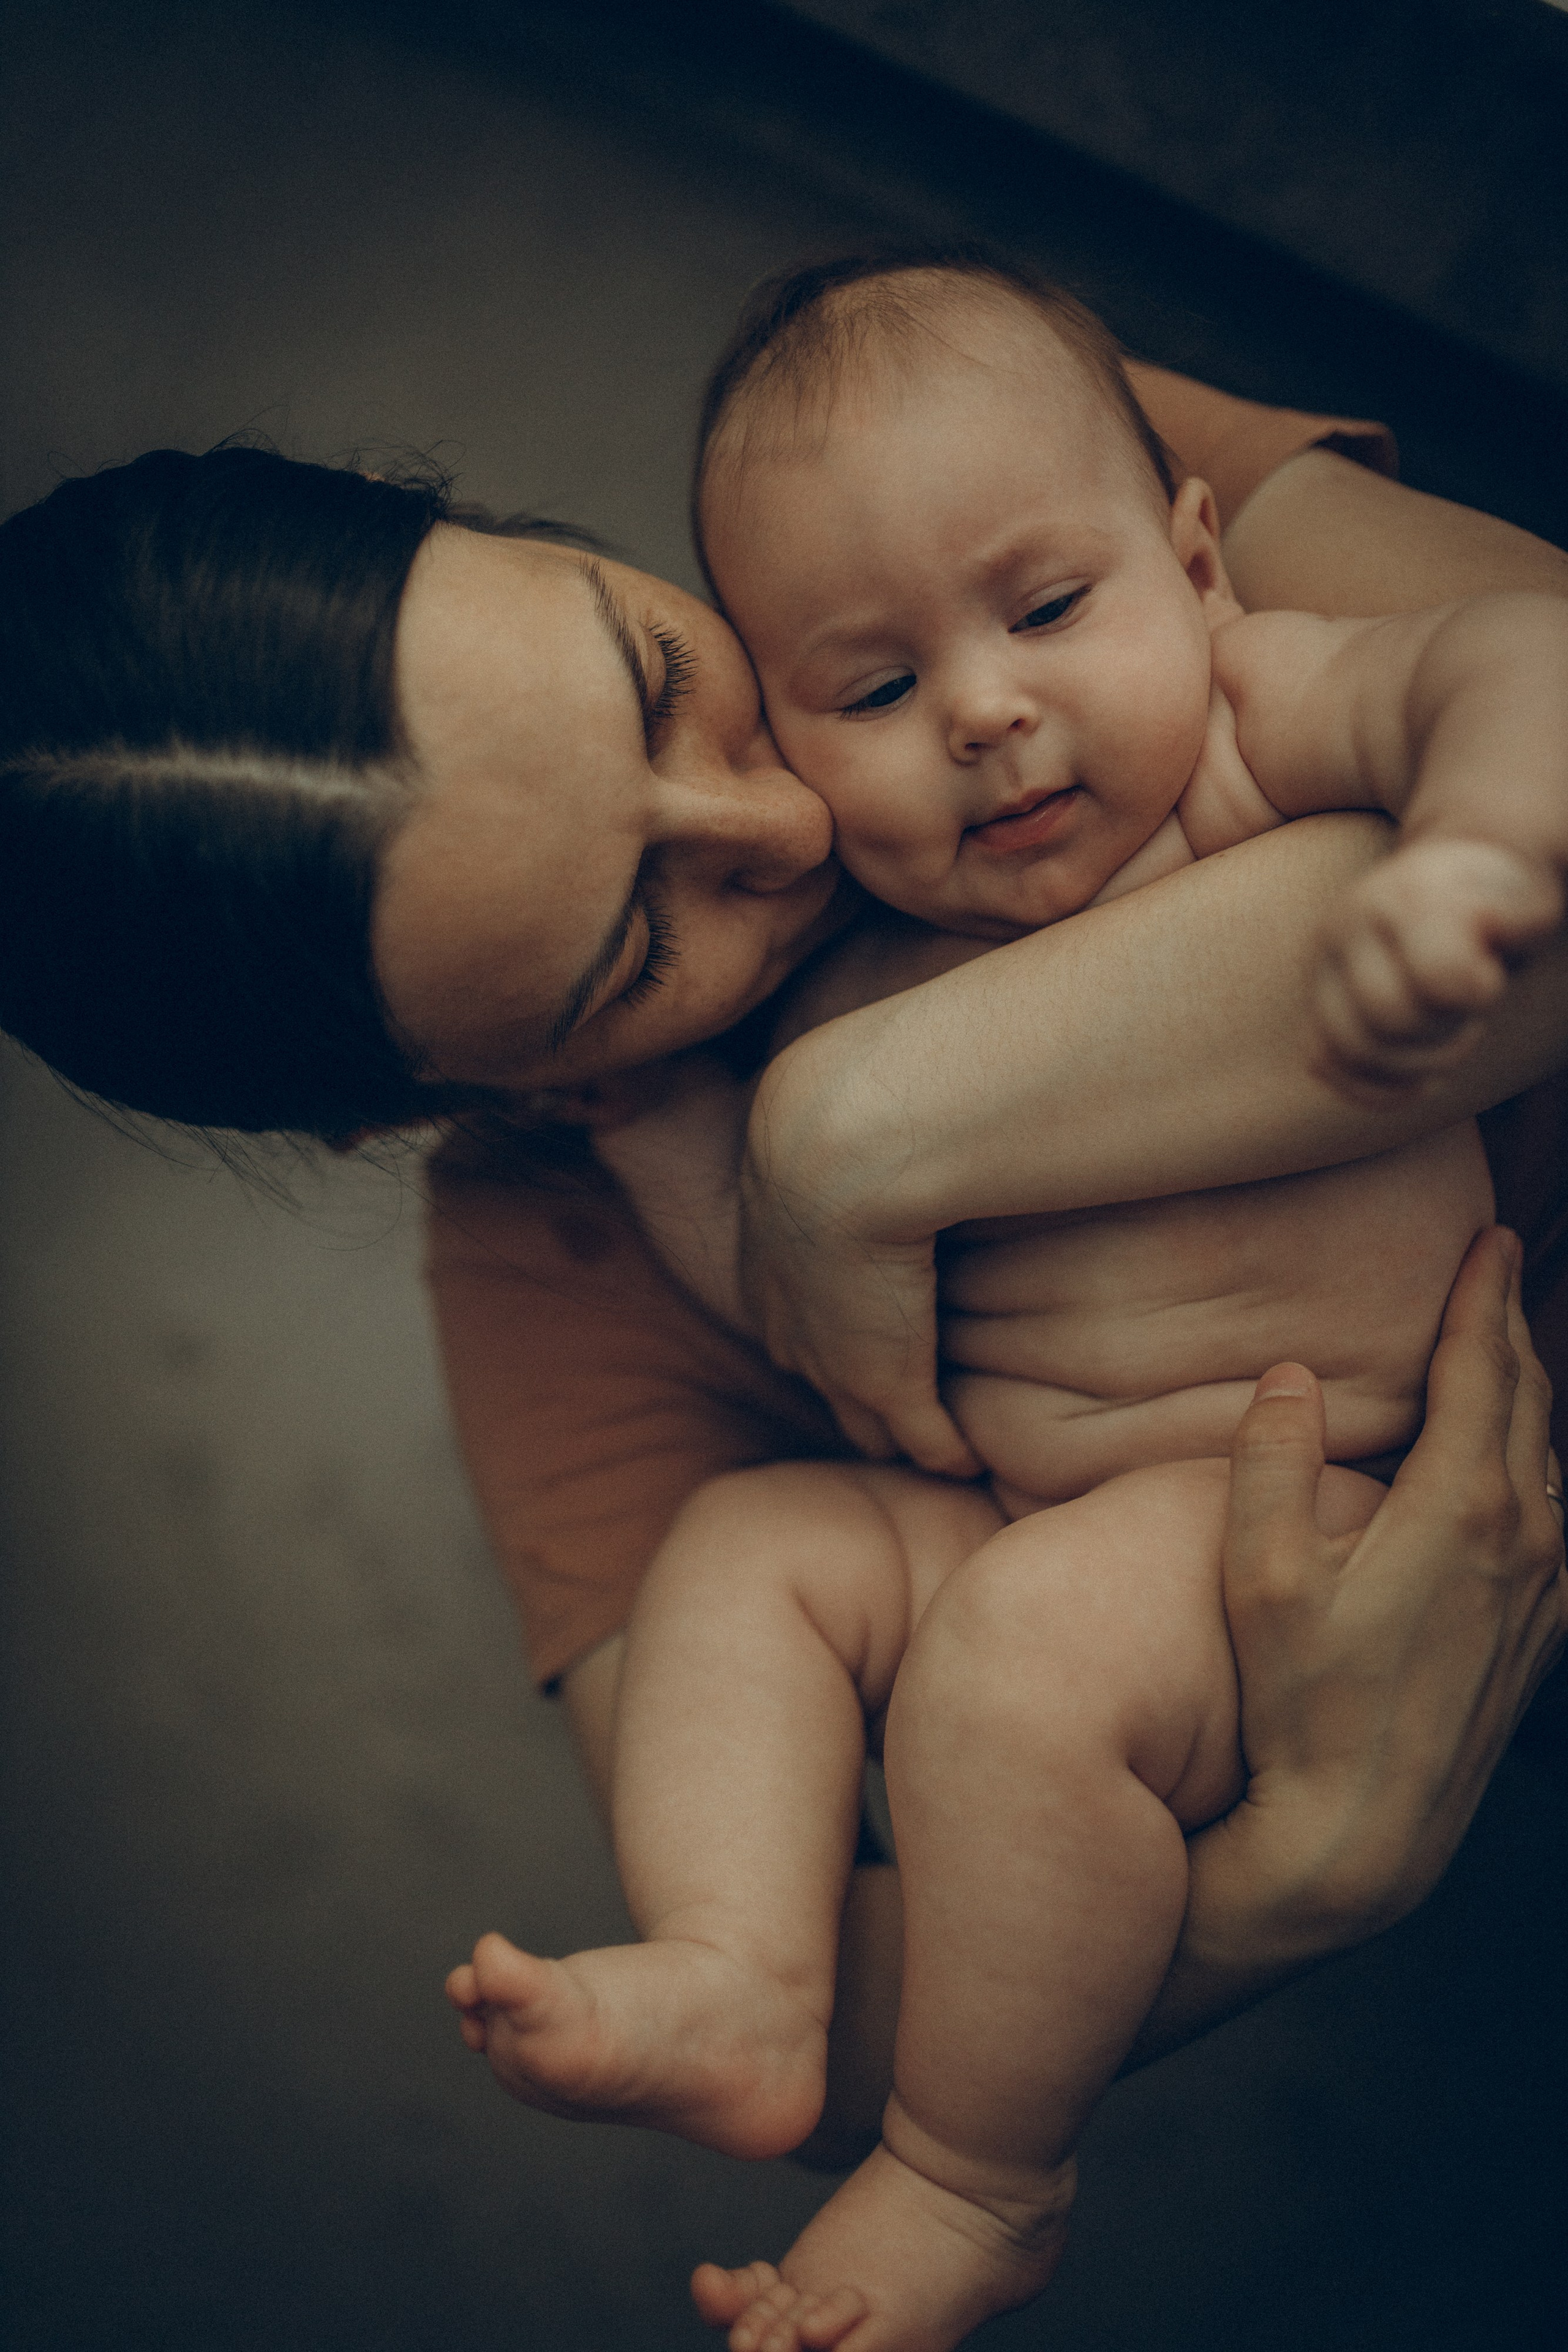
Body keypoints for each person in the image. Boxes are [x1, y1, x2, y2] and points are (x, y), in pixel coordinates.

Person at [0, 359, 1563, 2299]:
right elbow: (863, 2016)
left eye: (659, 676)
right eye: (640, 948)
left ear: (506, 536)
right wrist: (1309, 1863)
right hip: (1224, 1564)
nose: (784, 826)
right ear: (451, 1101)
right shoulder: (556, 1251)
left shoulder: (938, 471)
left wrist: (853, 1138)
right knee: (798, 1590)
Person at [438, 255, 1568, 2351]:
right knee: (748, 1547)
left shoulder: (1241, 723)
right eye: (867, 696)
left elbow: (1520, 658)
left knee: (1014, 1665)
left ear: (1193, 554)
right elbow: (792, 1313)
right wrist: (654, 1132)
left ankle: (978, 2177)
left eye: (1048, 615)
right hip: (1038, 1504)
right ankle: (742, 1961)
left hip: (1297, 1494)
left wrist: (1479, 846)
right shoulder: (862, 922)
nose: (977, 708)